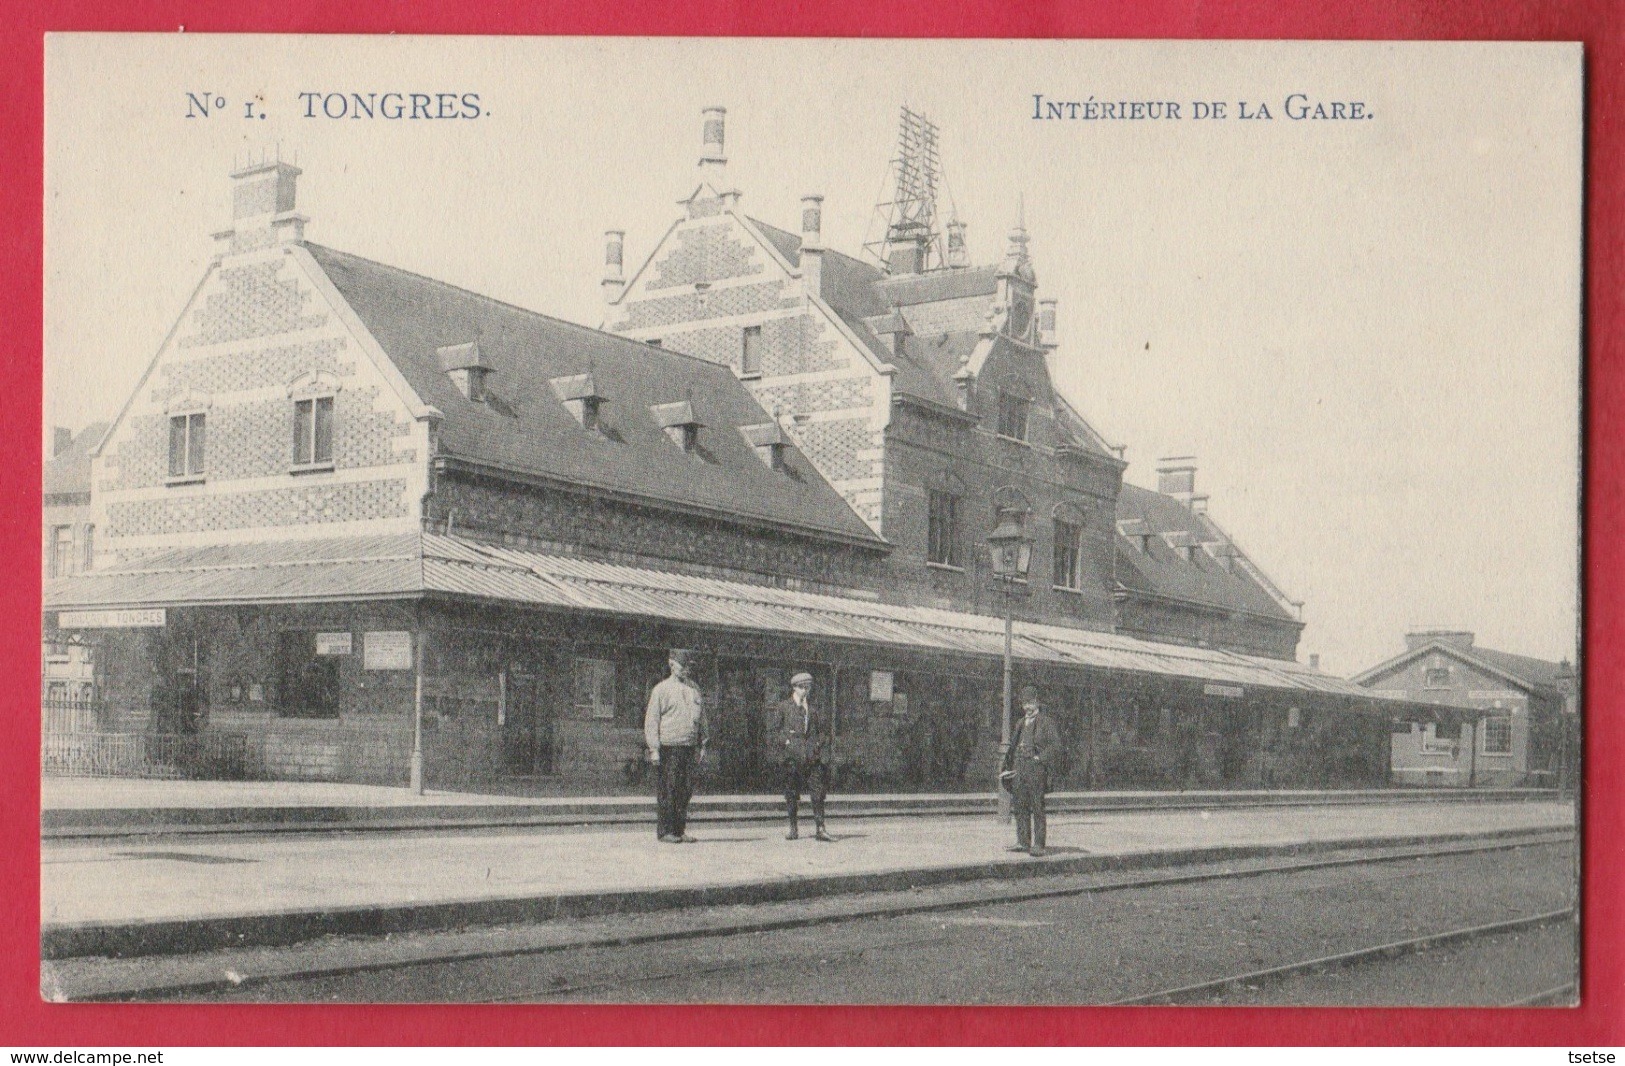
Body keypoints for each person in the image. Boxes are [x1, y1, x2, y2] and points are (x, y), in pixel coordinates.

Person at [644, 648, 707, 843]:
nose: (687, 669)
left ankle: (680, 830)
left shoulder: (694, 688)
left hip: (689, 747)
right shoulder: (661, 690)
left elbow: (702, 718)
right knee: (668, 789)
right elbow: (652, 721)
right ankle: (665, 831)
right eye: (683, 665)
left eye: (690, 666)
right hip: (669, 747)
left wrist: (703, 743)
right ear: (672, 665)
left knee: (685, 790)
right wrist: (654, 749)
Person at [1002, 684, 1063, 857]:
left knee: (1037, 806)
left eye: (1030, 703)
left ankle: (1039, 845)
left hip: (1036, 770)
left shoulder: (1046, 722)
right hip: (1020, 769)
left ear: (1037, 703)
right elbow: (1013, 746)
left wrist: (1040, 758)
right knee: (1020, 805)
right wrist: (1008, 767)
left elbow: (1056, 746)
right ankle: (1023, 842)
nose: (1027, 707)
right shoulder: (1020, 723)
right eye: (1024, 704)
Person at [771, 671, 833, 841]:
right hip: (792, 759)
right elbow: (775, 732)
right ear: (794, 688)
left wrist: (817, 746)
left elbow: (823, 733)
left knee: (818, 792)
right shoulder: (784, 707)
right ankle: (793, 828)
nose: (805, 690)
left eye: (808, 687)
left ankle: (820, 828)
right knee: (791, 793)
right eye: (801, 687)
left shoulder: (813, 709)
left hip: (811, 758)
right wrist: (787, 743)